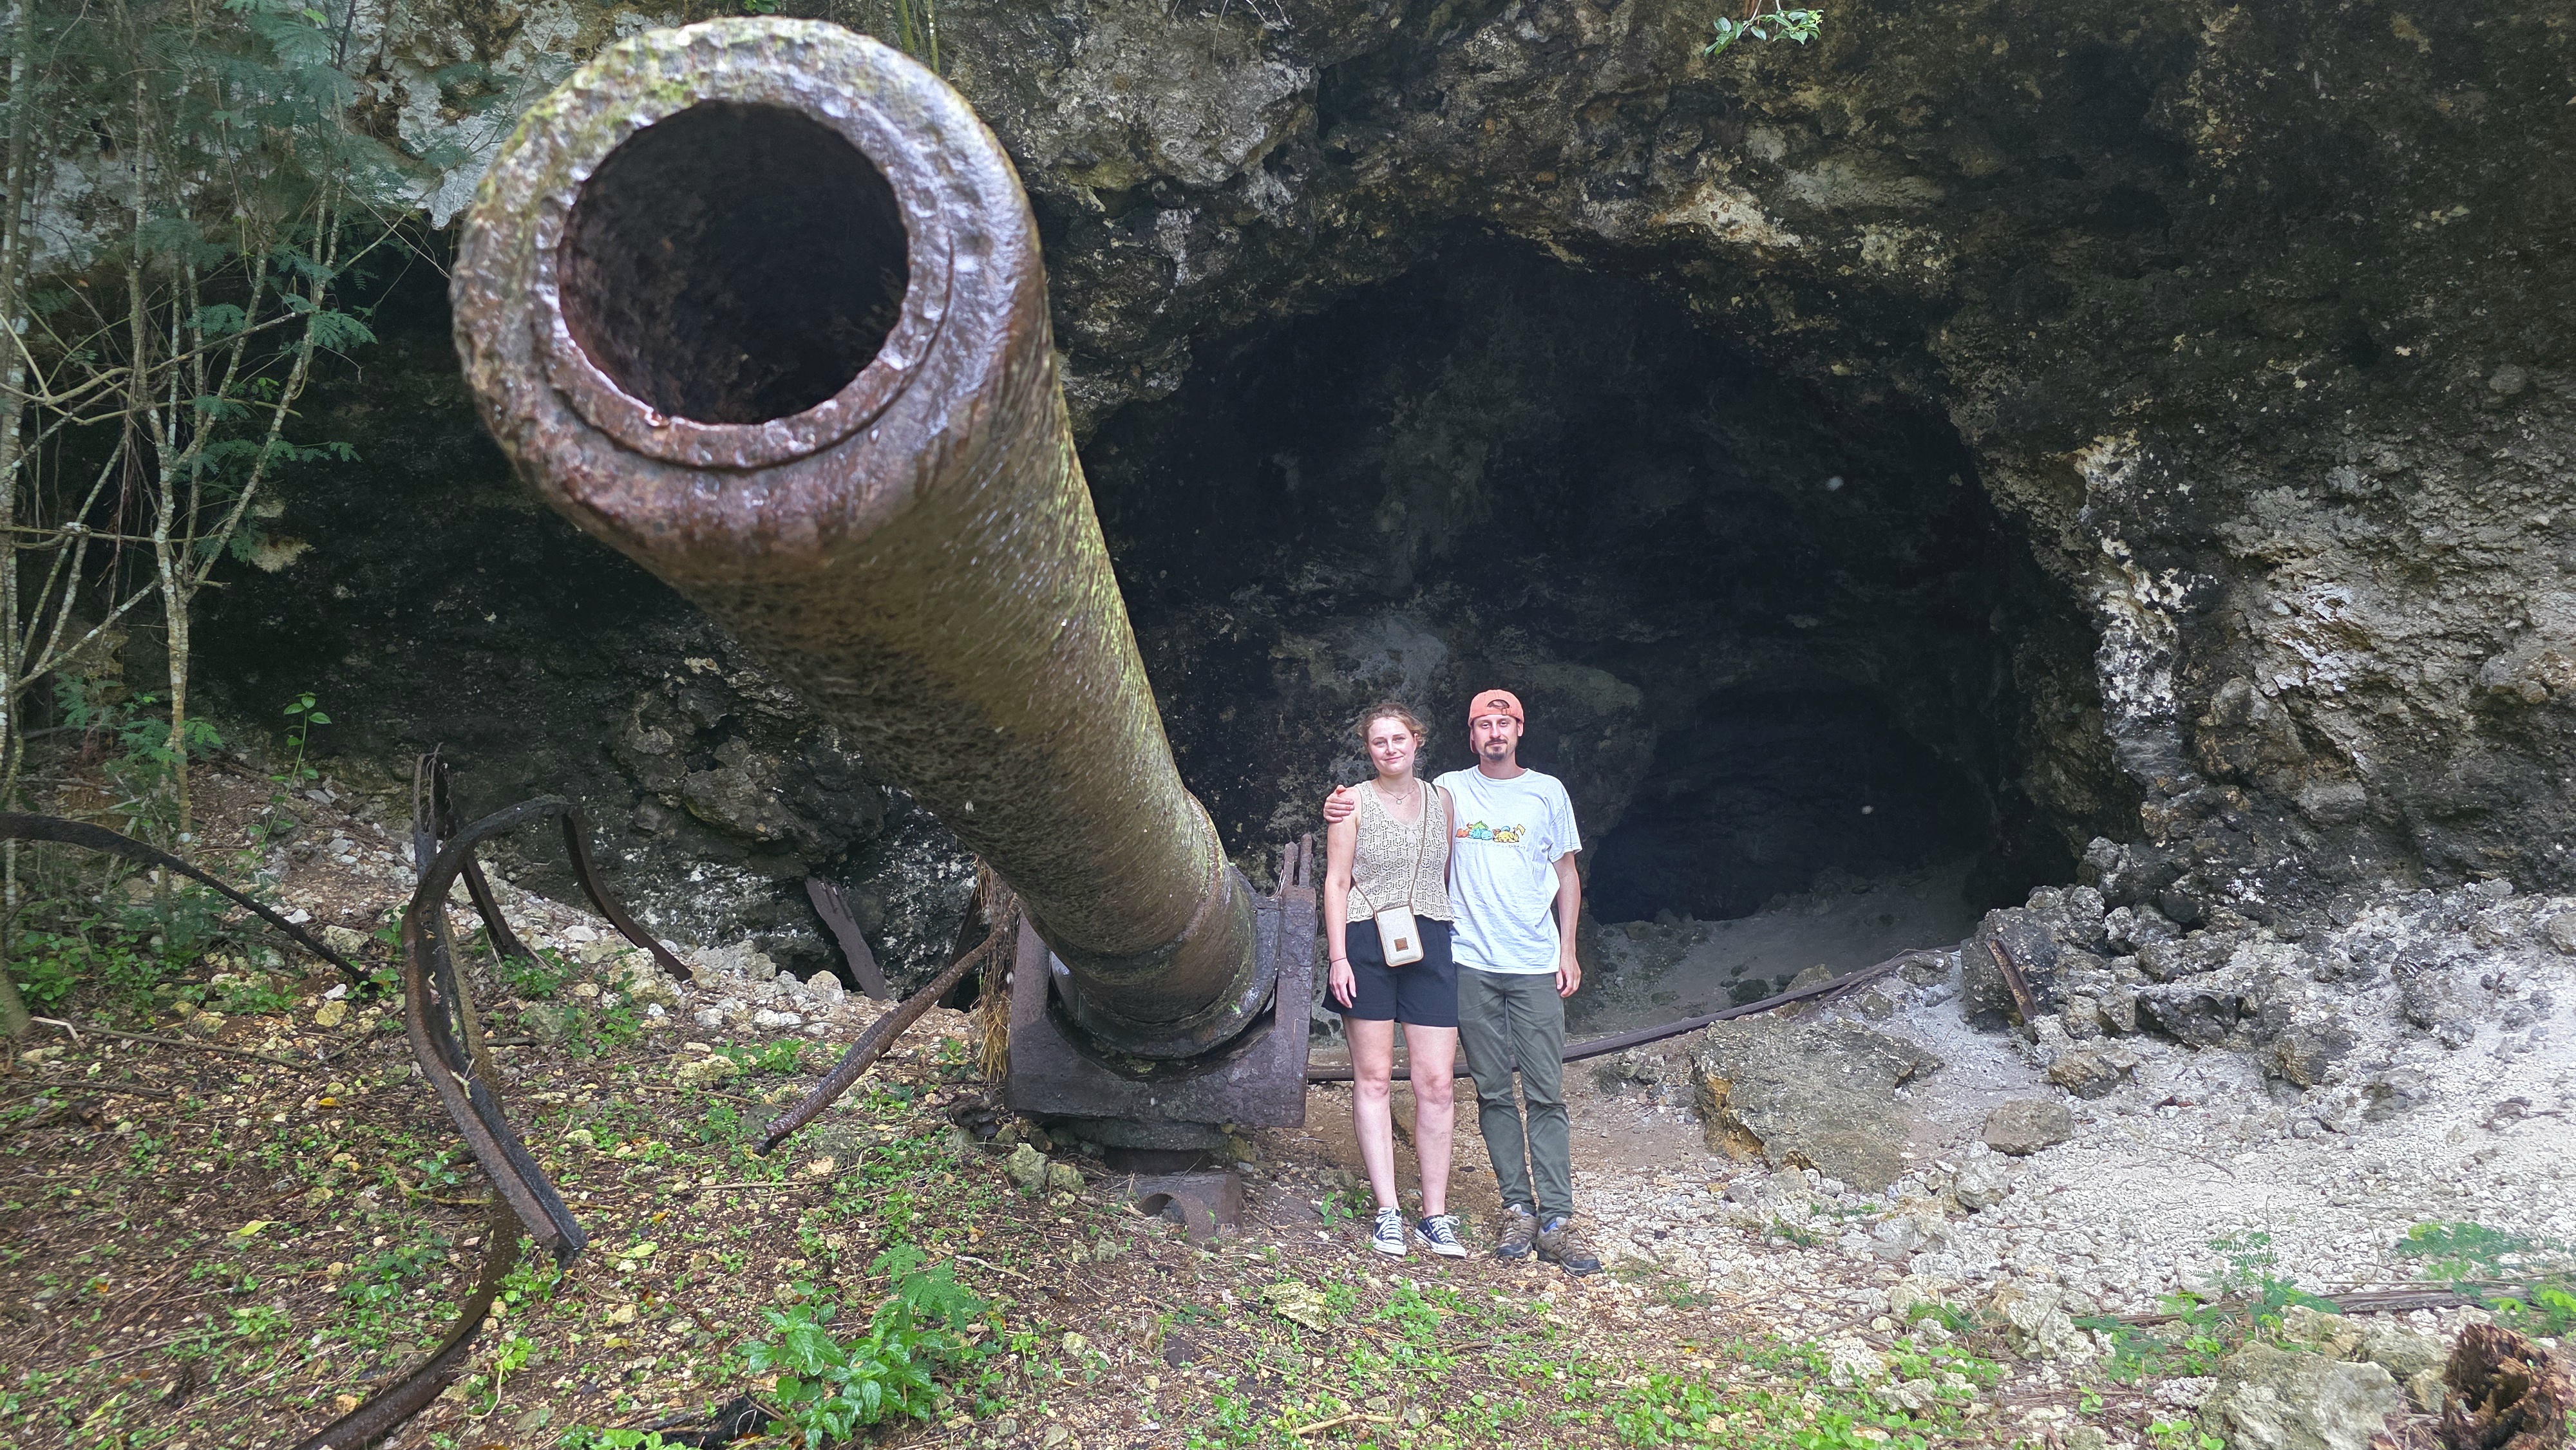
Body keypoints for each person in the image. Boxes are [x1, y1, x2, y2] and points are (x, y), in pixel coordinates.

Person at [1325, 688, 1598, 1275]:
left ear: (1520, 729)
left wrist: (1567, 948)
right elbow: (1374, 825)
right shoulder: (1449, 790)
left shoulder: (1543, 792)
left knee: (1542, 1090)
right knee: (1492, 1090)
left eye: (1505, 723)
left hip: (1527, 958)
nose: (1494, 733)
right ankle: (1515, 1210)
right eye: (1483, 725)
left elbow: (1568, 874)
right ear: (1469, 735)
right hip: (1466, 957)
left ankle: (1556, 1216)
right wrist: (1336, 806)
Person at [1321, 701, 1467, 1259]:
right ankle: (1389, 1211)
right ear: (1369, 749)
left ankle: (1435, 1213)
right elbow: (1337, 883)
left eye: (1398, 739)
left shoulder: (1442, 800)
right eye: (1379, 742)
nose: (1390, 749)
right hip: (1366, 937)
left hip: (1429, 937)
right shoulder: (1350, 803)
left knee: (1436, 1081)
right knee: (1375, 1076)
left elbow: (1447, 871)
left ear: (1417, 741)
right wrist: (1338, 957)